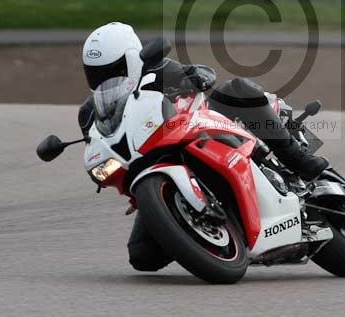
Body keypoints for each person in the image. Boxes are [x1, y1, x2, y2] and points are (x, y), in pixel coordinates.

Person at [77, 22, 330, 271]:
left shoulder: (158, 69)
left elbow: (201, 73)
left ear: (132, 58)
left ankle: (297, 158)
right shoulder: (89, 111)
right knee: (142, 257)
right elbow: (98, 140)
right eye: (95, 72)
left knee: (236, 89)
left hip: (200, 133)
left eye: (114, 68)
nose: (104, 78)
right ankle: (193, 234)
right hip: (152, 165)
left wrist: (197, 77)